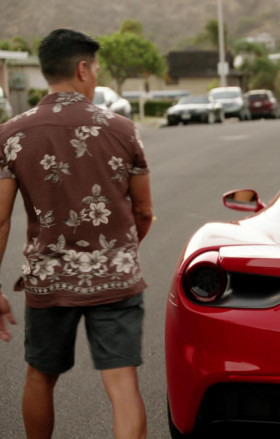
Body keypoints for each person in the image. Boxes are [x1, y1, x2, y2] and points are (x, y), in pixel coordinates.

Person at [0, 29, 153, 439]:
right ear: (83, 69)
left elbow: (0, 220)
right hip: (116, 280)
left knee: (39, 377)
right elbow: (144, 209)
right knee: (122, 385)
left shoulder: (12, 133)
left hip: (48, 280)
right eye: (96, 69)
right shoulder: (121, 128)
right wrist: (120, 252)